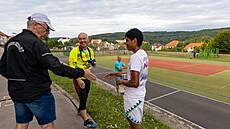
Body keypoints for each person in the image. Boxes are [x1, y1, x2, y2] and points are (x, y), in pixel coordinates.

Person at [0, 13, 96, 129]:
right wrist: (81, 73)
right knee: (47, 125)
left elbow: (3, 68)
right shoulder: (36, 43)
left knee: (21, 124)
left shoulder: (11, 42)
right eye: (46, 29)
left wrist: (18, 79)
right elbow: (56, 67)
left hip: (17, 92)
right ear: (36, 25)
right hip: (37, 93)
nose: (47, 33)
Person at [103, 28, 149, 129]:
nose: (125, 43)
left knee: (135, 125)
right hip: (140, 94)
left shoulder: (135, 57)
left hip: (133, 97)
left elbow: (134, 82)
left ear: (135, 40)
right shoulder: (143, 54)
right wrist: (116, 74)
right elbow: (133, 74)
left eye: (127, 40)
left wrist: (121, 82)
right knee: (134, 123)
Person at [68, 32, 97, 128]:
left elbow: (92, 63)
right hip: (78, 78)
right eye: (80, 39)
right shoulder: (74, 52)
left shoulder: (90, 51)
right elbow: (71, 68)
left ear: (88, 39)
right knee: (83, 96)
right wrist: (78, 79)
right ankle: (86, 120)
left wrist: (93, 64)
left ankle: (81, 109)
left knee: (85, 96)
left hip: (87, 77)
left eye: (84, 38)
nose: (82, 40)